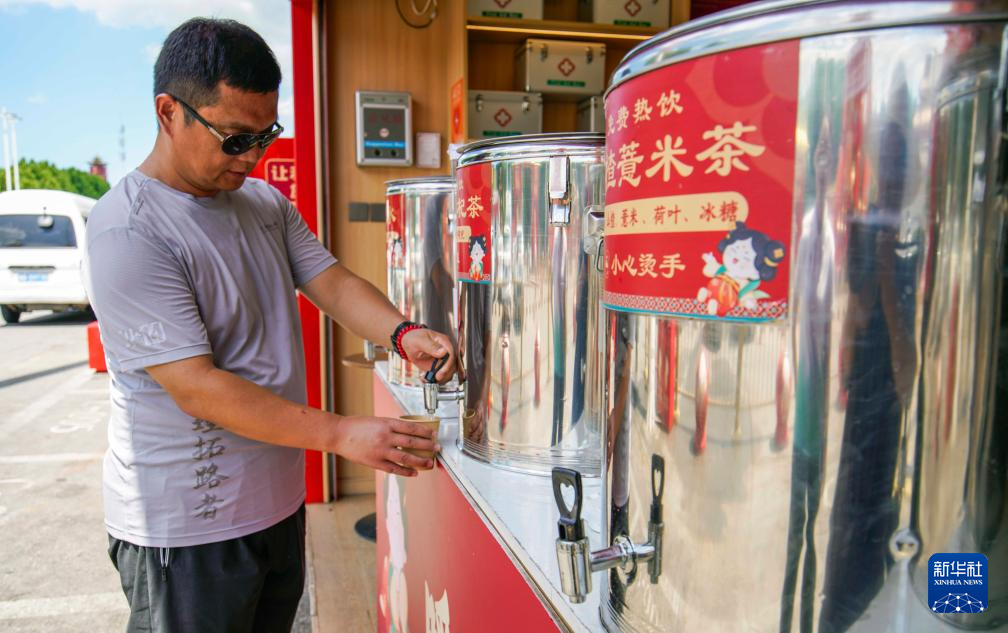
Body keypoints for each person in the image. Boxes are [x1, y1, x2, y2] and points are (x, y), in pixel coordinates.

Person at [83, 17, 456, 632]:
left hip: (275, 506)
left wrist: (402, 333)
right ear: (169, 112)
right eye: (235, 138)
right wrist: (340, 433)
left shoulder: (263, 203)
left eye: (265, 135)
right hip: (188, 529)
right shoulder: (129, 230)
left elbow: (331, 282)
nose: (253, 156)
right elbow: (196, 386)